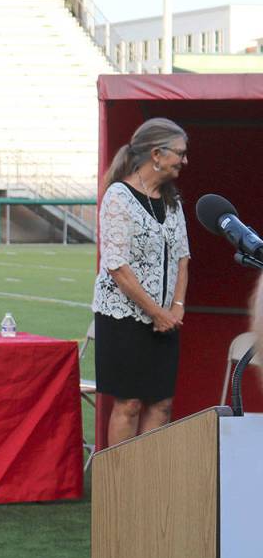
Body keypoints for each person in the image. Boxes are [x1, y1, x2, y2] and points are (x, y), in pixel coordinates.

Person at [92, 117, 190, 446]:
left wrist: (175, 307)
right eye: (180, 152)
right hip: (124, 318)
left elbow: (182, 256)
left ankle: (147, 485)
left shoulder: (173, 200)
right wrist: (156, 312)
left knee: (161, 405)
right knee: (129, 404)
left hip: (165, 320)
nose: (184, 160)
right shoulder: (118, 197)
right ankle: (122, 488)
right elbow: (117, 266)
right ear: (157, 154)